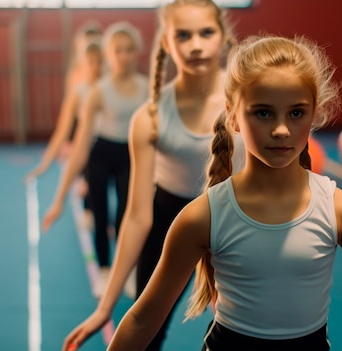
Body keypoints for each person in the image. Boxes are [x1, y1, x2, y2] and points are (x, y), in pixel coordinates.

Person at [105, 35, 342, 351]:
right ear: (234, 116)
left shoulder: (339, 210)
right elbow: (143, 318)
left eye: (296, 113)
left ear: (315, 114)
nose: (282, 129)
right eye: (263, 113)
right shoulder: (203, 216)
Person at [62, 1, 242, 350]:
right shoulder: (151, 116)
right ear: (166, 44)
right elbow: (137, 215)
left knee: (242, 334)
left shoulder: (246, 102)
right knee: (148, 331)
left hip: (233, 221)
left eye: (206, 32)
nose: (195, 44)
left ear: (223, 37)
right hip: (167, 218)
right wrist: (106, 305)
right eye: (183, 35)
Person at [41, 21, 148, 298]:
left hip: (131, 156)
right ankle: (103, 270)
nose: (124, 56)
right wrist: (59, 198)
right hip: (101, 154)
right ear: (108, 55)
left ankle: (129, 269)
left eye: (129, 50)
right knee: (101, 216)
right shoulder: (98, 92)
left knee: (128, 215)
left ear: (138, 52)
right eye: (117, 51)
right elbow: (79, 149)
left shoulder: (146, 89)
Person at [25, 23, 102, 180]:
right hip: (82, 130)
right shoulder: (76, 79)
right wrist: (47, 161)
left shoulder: (108, 83)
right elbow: (67, 120)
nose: (94, 65)